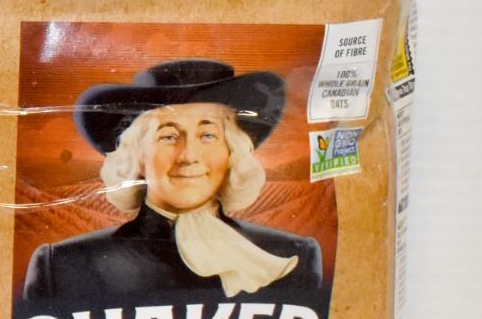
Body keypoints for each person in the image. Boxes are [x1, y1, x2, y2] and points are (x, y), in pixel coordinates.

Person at [24, 59, 321, 300]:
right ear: (137, 157)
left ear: (231, 152)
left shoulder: (291, 258)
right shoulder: (65, 267)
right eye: (168, 136)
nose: (189, 155)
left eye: (208, 135)